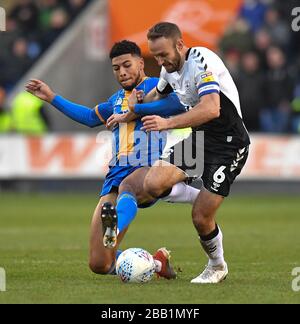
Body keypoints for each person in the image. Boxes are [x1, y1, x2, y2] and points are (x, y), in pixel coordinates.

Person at [25, 40, 200, 279]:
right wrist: (52, 97)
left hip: (146, 167)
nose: (122, 72)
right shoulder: (117, 98)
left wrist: (139, 108)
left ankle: (114, 227)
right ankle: (156, 264)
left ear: (141, 63)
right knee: (99, 263)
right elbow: (88, 117)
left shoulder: (154, 87)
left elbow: (178, 104)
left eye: (127, 65)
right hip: (115, 175)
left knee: (129, 187)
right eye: (116, 68)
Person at [137, 22, 250, 283]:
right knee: (153, 184)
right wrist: (135, 107)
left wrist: (166, 123)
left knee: (200, 218)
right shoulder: (169, 69)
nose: (160, 61)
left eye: (164, 54)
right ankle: (205, 195)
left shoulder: (201, 60)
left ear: (179, 44)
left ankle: (217, 265)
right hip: (201, 139)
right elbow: (157, 93)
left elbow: (212, 109)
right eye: (155, 56)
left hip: (229, 144)